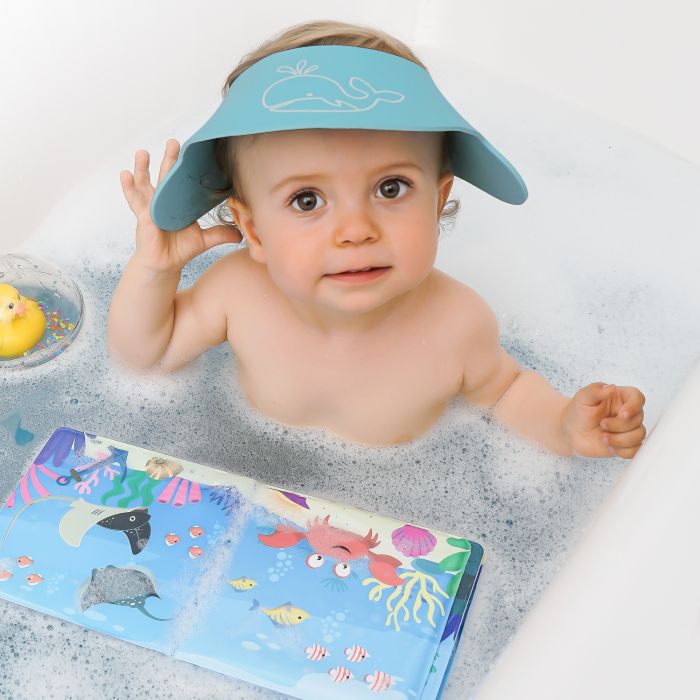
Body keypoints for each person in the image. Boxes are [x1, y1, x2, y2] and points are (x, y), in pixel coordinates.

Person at [107, 20, 646, 457]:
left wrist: (564, 425)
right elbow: (146, 358)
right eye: (307, 200)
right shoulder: (237, 292)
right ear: (253, 230)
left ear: (437, 200)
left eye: (391, 188)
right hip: (246, 467)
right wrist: (155, 270)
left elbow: (506, 391)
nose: (356, 230)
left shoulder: (456, 322)